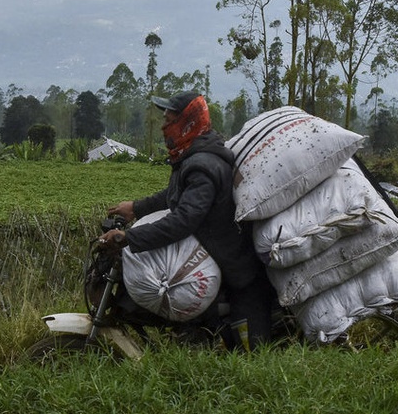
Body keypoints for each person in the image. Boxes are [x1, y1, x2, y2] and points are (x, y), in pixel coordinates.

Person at [99, 91, 275, 350]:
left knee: (250, 354)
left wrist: (130, 237)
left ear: (187, 123)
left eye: (169, 119)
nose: (163, 126)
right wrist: (136, 208)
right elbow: (175, 196)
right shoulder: (192, 156)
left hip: (235, 271)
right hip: (211, 256)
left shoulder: (202, 165)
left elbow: (184, 220)